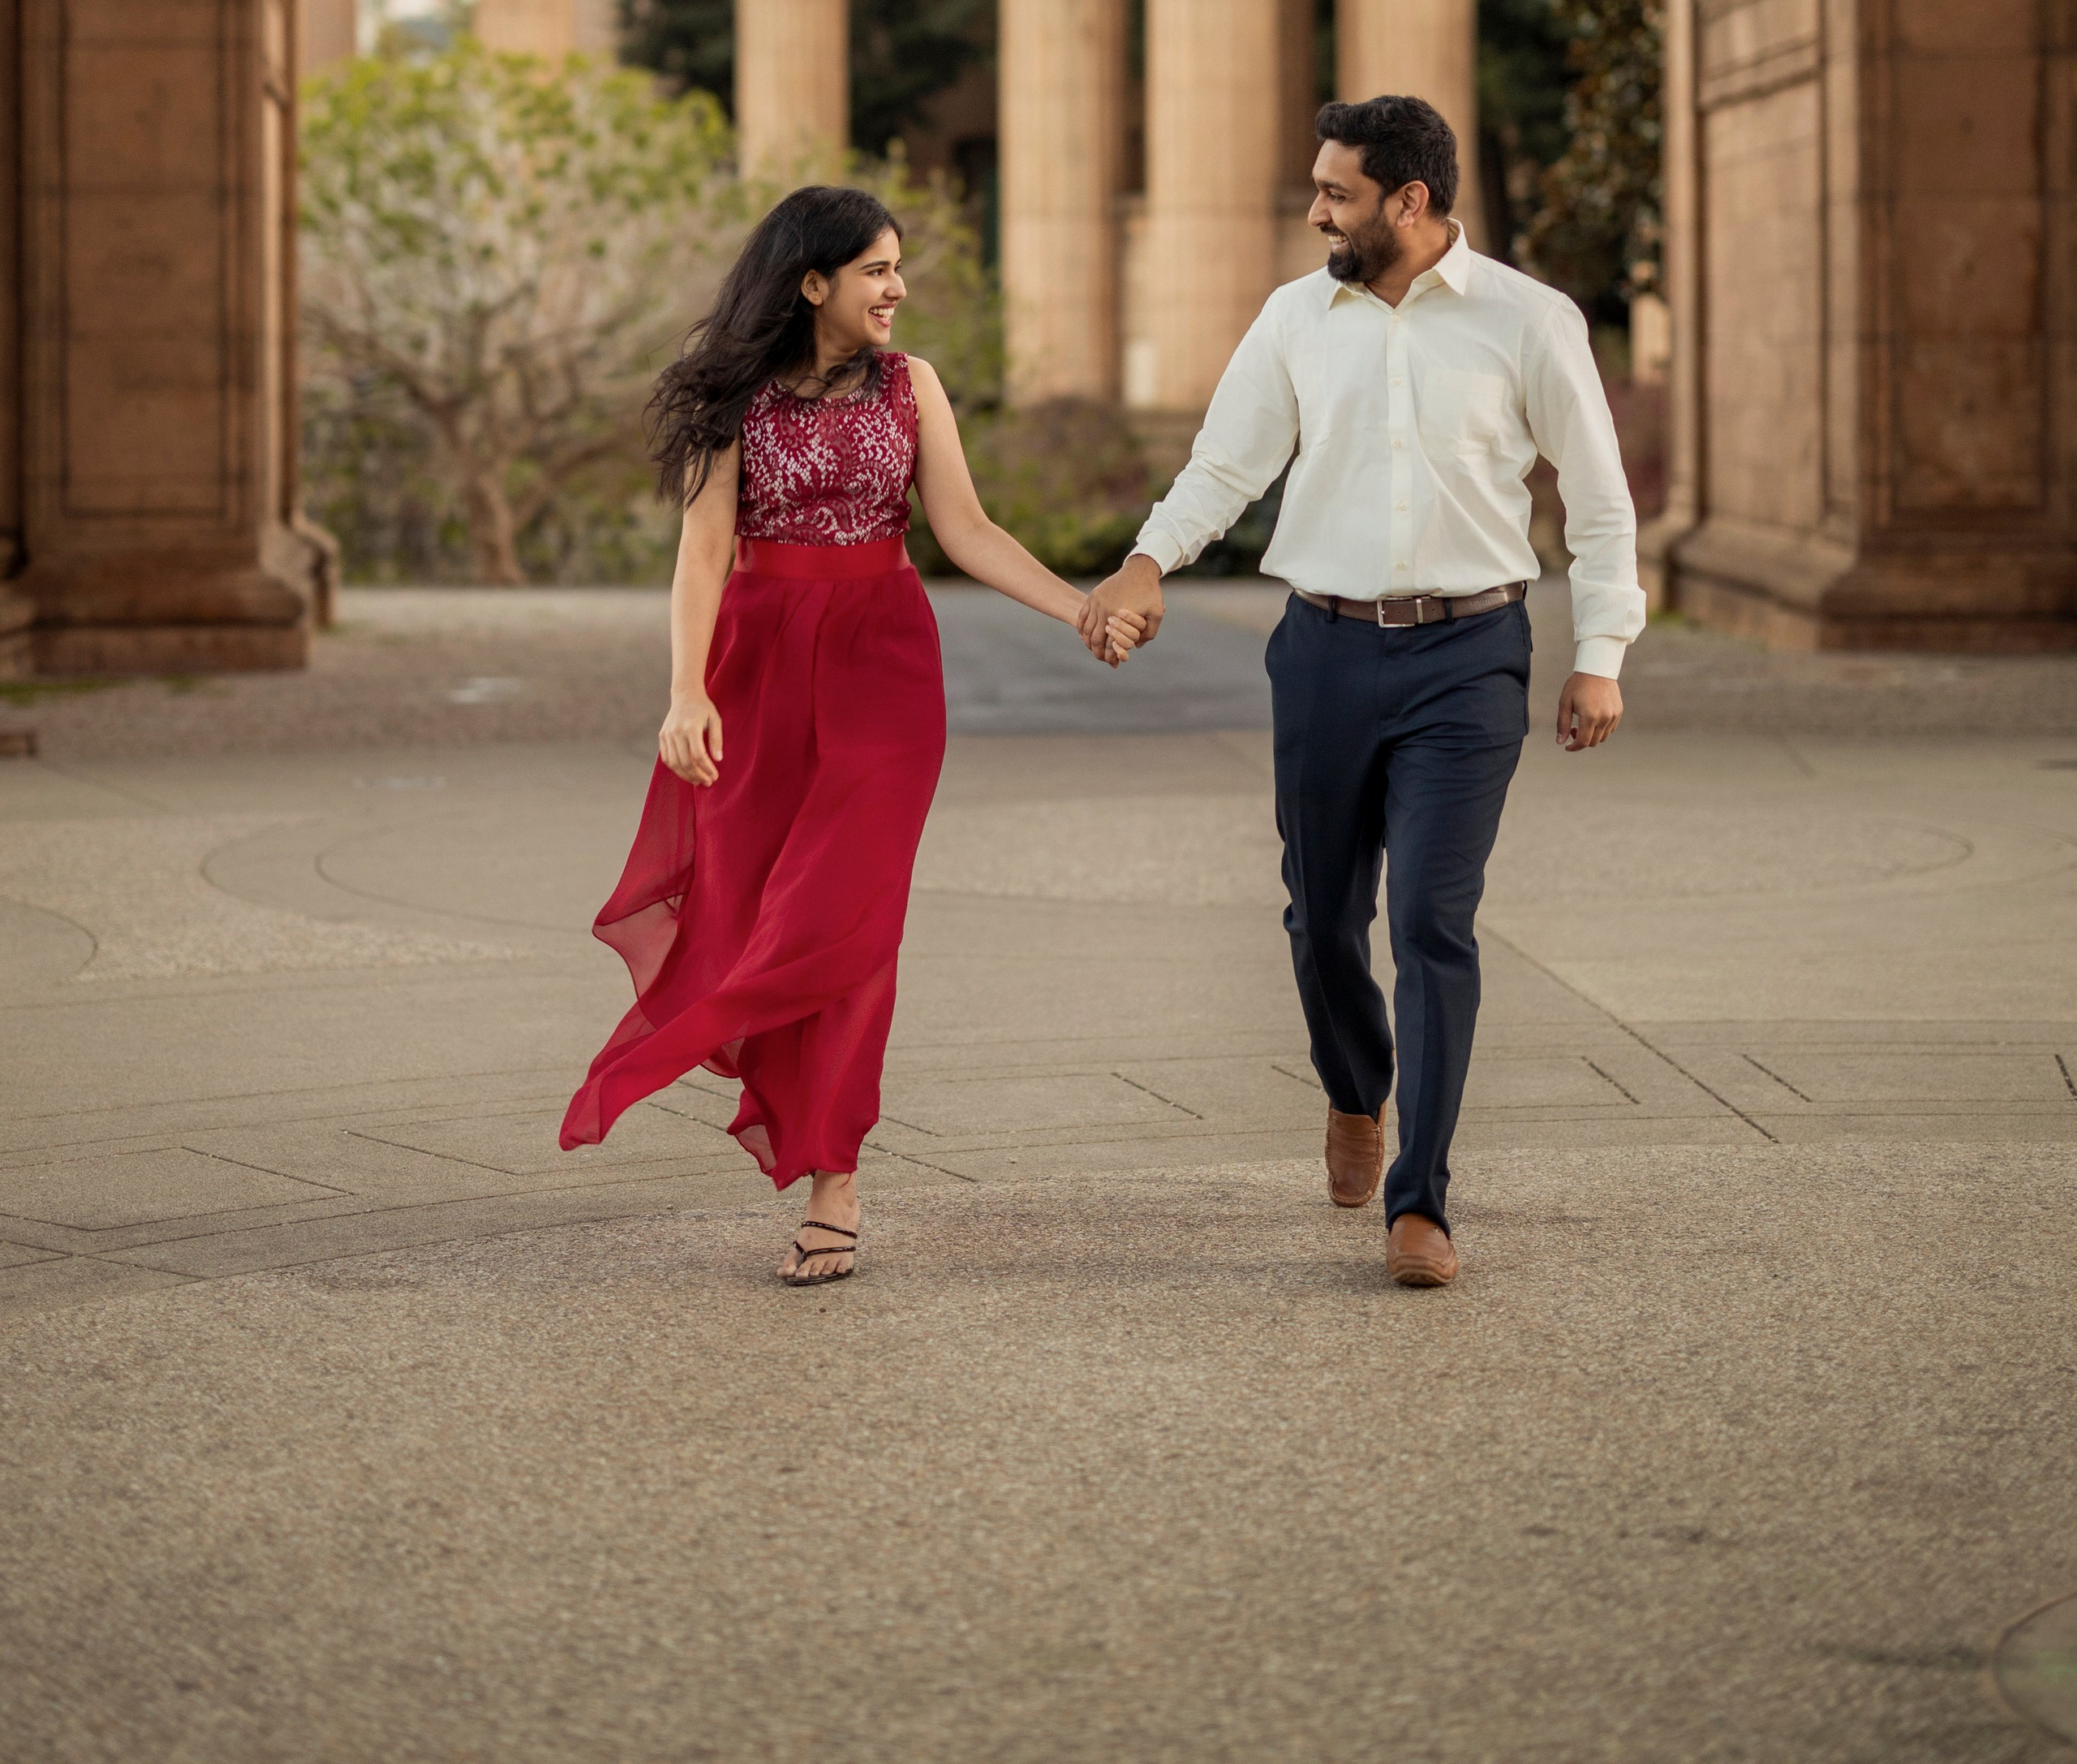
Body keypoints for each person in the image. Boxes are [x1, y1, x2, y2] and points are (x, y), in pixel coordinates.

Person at [1080, 95, 1643, 1290]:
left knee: (1436, 922)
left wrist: (1603, 650)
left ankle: (1421, 1202)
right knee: (1322, 917)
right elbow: (1227, 463)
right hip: (1325, 653)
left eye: (1336, 192)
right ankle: (1353, 1088)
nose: (1315, 210)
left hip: (1471, 654)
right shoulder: (1297, 317)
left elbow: (1596, 499)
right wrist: (1147, 559)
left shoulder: (1530, 322)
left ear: (1412, 201)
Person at [561, 184, 1146, 1284]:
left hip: (884, 667)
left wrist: (1078, 608)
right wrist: (686, 695)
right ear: (812, 282)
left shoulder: (913, 387)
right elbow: (701, 556)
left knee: (850, 917)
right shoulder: (735, 402)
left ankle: (835, 1174)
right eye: (876, 269)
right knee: (759, 906)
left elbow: (966, 531)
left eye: (898, 267)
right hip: (761, 665)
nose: (899, 288)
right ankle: (785, 1095)